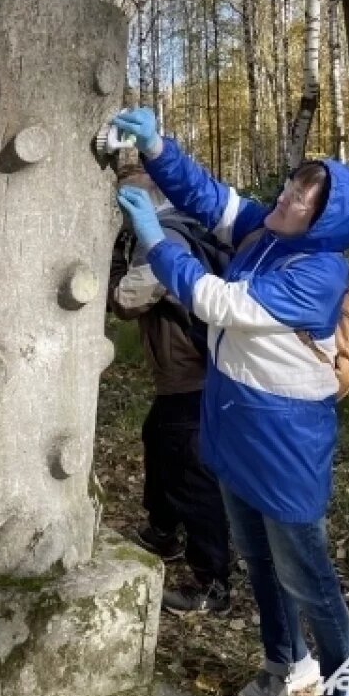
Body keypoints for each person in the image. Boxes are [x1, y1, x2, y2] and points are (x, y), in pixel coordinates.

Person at [110, 107, 349, 696]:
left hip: (286, 437)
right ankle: (287, 659)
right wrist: (159, 149)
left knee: (308, 574)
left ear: (326, 221)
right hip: (236, 422)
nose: (285, 197)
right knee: (259, 560)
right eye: (293, 185)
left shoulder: (318, 272)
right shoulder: (268, 232)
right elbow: (210, 197)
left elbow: (219, 303)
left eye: (301, 198)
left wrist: (156, 241)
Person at [107, 163, 232, 617]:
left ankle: (212, 583)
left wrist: (115, 258)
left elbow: (126, 299)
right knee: (158, 438)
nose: (120, 209)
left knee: (192, 474)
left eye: (125, 199)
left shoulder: (164, 238)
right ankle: (162, 531)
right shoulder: (182, 228)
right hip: (189, 372)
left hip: (192, 374)